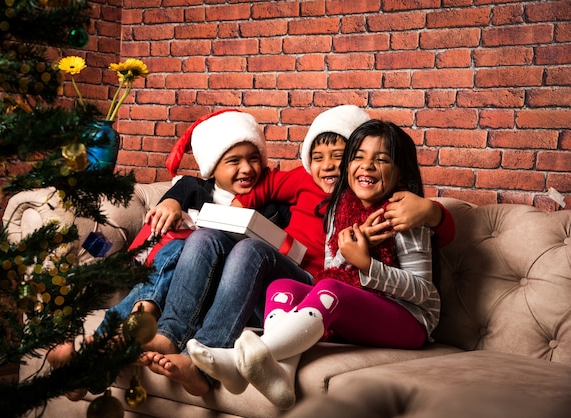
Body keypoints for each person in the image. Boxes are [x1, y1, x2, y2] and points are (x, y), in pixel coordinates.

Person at [141, 106, 453, 398]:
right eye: (358, 157)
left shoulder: (407, 214)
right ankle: (277, 372)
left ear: (400, 171)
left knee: (318, 283)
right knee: (277, 283)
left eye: (381, 160)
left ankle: (234, 361)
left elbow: (421, 292)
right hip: (331, 299)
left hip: (402, 316)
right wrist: (224, 204)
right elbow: (337, 268)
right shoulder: (337, 209)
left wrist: (369, 262)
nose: (366, 166)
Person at [46, 109, 270, 381]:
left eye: (254, 158)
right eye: (234, 161)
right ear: (212, 166)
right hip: (175, 283)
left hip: (221, 291)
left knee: (191, 243)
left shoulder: (270, 201)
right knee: (176, 246)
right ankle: (88, 370)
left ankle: (126, 329)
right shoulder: (194, 188)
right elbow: (170, 202)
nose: (247, 168)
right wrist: (171, 205)